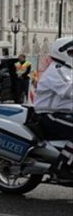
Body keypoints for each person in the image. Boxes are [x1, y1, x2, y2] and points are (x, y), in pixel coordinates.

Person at [34, 37, 73, 177]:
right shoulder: (57, 70)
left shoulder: (67, 70)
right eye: (71, 53)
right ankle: (61, 166)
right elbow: (69, 91)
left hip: (62, 114)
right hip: (49, 115)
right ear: (62, 52)